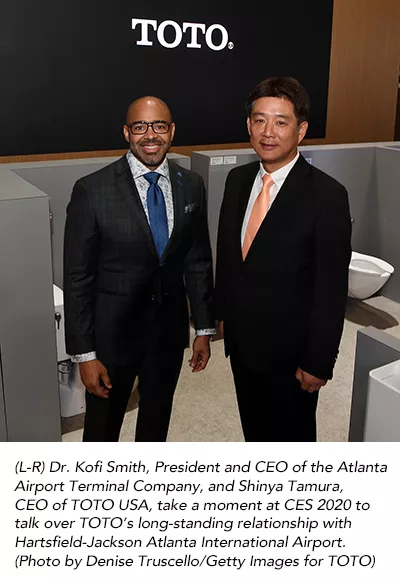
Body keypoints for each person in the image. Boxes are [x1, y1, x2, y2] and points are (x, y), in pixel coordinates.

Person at [63, 96, 214, 442]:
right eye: (140, 126)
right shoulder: (92, 190)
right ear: (126, 133)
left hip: (167, 334)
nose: (150, 135)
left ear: (171, 131)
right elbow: (78, 278)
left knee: (155, 427)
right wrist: (85, 354)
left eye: (159, 126)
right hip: (110, 340)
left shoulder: (191, 185)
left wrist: (204, 328)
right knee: (101, 434)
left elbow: (198, 260)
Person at [215, 77, 352, 442]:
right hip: (243, 346)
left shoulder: (327, 195)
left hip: (292, 357)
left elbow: (331, 288)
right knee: (255, 434)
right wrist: (223, 313)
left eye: (280, 122)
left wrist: (318, 361)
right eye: (259, 120)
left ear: (301, 130)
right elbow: (229, 256)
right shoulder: (237, 180)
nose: (268, 132)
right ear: (248, 125)